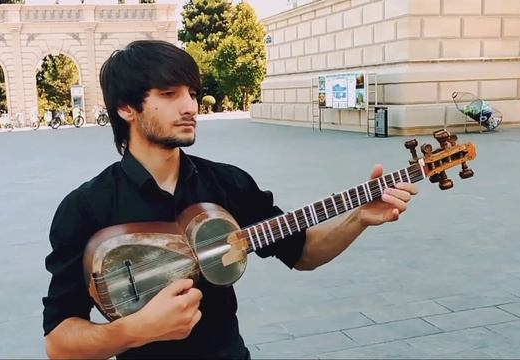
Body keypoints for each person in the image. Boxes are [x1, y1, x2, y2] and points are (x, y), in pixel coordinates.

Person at [42, 40, 418, 359]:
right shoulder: (86, 207)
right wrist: (133, 331)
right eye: (169, 94)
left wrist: (358, 218)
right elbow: (59, 341)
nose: (190, 106)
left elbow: (302, 253)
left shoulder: (226, 183)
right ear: (127, 108)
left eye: (191, 92)